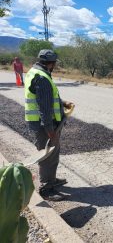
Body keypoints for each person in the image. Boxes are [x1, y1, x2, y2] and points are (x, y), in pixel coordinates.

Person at [25, 49, 73, 201]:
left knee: (52, 153)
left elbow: (47, 97)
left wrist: (62, 102)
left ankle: (51, 180)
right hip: (44, 124)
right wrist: (50, 129)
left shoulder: (34, 71)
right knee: (48, 156)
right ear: (51, 63)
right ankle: (46, 188)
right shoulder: (42, 77)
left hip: (42, 123)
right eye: (55, 63)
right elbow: (44, 107)